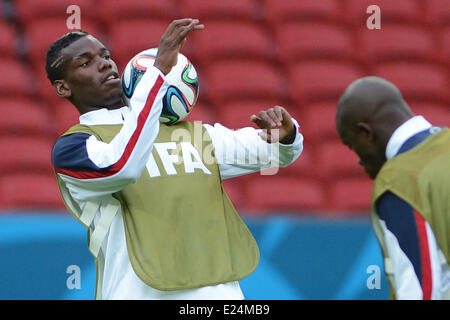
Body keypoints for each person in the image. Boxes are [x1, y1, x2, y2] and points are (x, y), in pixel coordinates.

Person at [48, 19, 304, 300]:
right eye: (85, 63)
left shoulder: (190, 134)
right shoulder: (74, 148)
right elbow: (121, 166)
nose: (105, 64)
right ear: (63, 87)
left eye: (106, 56)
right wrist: (156, 74)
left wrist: (284, 136)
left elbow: (272, 153)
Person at [336, 76, 450, 300]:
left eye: (353, 146)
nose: (359, 161)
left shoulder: (398, 180)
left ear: (366, 133)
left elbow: (419, 290)